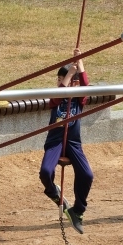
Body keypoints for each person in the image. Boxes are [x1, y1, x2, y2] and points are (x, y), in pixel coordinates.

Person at [39, 58, 93, 235]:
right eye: (59, 79)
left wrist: (80, 62)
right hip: (55, 141)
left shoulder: (79, 100)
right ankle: (53, 191)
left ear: (75, 84)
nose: (60, 82)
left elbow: (85, 85)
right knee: (46, 172)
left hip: (73, 143)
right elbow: (61, 91)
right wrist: (69, 73)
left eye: (66, 79)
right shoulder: (56, 99)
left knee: (87, 174)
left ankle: (78, 210)